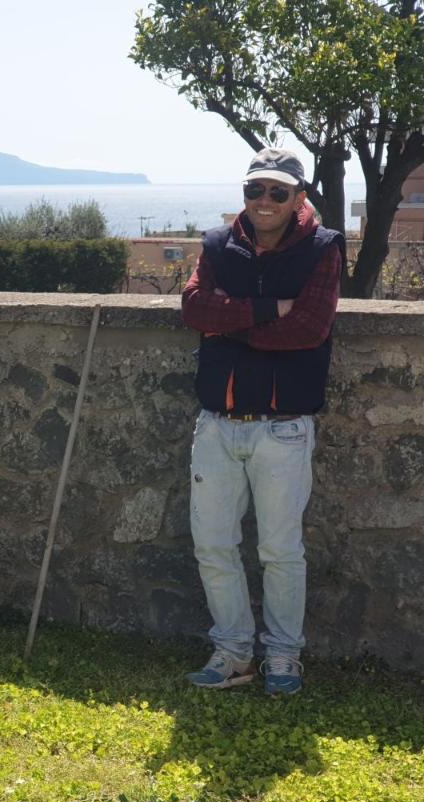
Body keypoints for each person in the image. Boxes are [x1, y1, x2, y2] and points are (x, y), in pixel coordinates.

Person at [180, 148, 343, 696]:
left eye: (278, 191)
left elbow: (310, 329)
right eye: (256, 191)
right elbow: (196, 309)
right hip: (217, 423)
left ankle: (282, 657)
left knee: (280, 550)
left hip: (284, 427)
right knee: (213, 544)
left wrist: (231, 321)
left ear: (299, 196)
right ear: (244, 195)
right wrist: (270, 308)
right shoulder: (216, 245)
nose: (265, 201)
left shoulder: (323, 248)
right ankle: (232, 653)